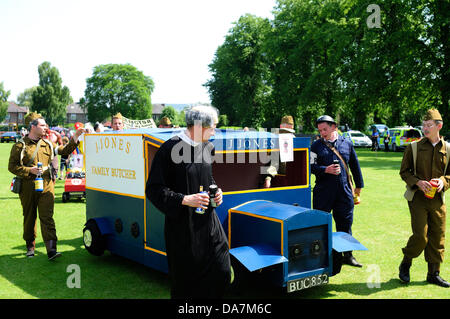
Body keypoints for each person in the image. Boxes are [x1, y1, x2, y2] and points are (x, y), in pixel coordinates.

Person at [145, 105, 230, 298]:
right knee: (187, 286)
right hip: (183, 230)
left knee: (222, 271)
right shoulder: (169, 150)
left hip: (209, 224)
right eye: (213, 127)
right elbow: (153, 190)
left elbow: (207, 179)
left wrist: (216, 192)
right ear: (199, 127)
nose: (215, 131)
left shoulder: (208, 147)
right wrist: (184, 199)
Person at [8, 112, 86, 260]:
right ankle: (30, 246)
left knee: (47, 217)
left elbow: (65, 151)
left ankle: (51, 249)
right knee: (29, 216)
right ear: (33, 127)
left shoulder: (48, 144)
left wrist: (75, 137)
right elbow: (12, 166)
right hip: (27, 186)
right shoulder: (20, 146)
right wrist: (28, 170)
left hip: (46, 185)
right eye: (42, 125)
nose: (46, 127)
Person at [398, 108, 450, 287]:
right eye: (424, 125)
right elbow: (404, 172)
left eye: (429, 125)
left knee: (437, 236)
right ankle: (406, 262)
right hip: (418, 199)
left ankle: (433, 274)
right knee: (421, 236)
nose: (425, 128)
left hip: (437, 200)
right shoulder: (413, 147)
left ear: (439, 126)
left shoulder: (448, 149)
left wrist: (443, 182)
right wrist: (418, 183)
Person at [310, 115, 364, 267]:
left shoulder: (347, 144)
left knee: (345, 223)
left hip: (344, 192)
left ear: (334, 127)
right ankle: (322, 255)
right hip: (323, 192)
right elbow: (311, 166)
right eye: (320, 130)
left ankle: (348, 256)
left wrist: (359, 186)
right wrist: (325, 169)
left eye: (325, 129)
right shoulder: (315, 146)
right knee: (321, 224)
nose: (322, 133)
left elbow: (354, 165)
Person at [263, 115, 295, 188]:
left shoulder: (297, 143)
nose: (285, 134)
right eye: (283, 132)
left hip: (295, 182)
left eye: (288, 132)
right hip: (281, 182)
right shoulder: (276, 143)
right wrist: (268, 179)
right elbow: (274, 164)